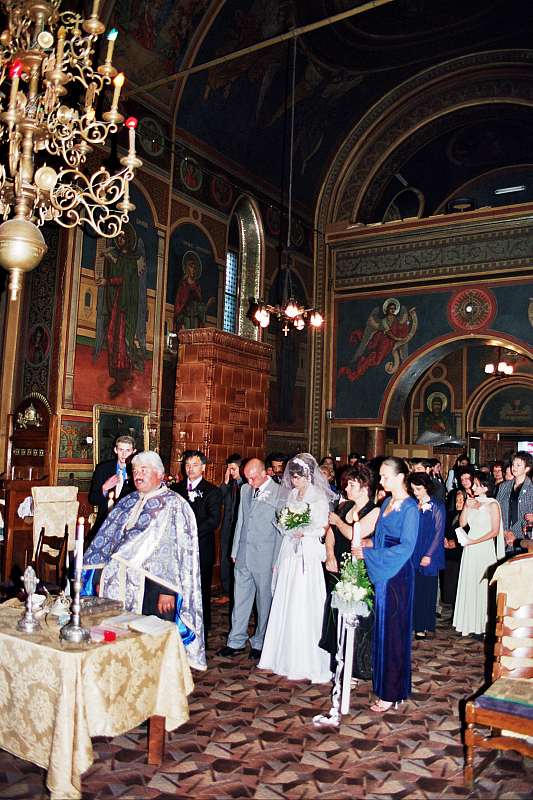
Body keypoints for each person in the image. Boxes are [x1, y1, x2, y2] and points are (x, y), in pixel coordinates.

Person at [82, 451, 206, 670]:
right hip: (118, 581)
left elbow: (175, 552)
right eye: (135, 470)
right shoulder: (127, 501)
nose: (137, 475)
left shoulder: (174, 505)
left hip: (153, 587)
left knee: (152, 640)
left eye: (143, 470)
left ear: (159, 474)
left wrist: (167, 590)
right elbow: (107, 542)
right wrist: (100, 575)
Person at [353, 457, 419, 713]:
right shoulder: (389, 502)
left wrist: (370, 554)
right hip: (384, 571)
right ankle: (386, 687)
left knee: (393, 633)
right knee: (383, 631)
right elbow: (382, 538)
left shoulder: (410, 508)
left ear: (401, 477)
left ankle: (391, 692)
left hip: (397, 574)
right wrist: (367, 545)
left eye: (385, 477)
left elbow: (406, 547)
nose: (381, 482)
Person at [258, 454, 332, 683]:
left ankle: (307, 659)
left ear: (309, 476)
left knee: (304, 600)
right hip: (290, 551)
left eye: (298, 477)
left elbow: (322, 528)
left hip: (307, 553)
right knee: (287, 598)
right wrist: (287, 528)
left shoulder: (318, 496)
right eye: (293, 477)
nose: (294, 481)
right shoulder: (290, 494)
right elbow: (286, 519)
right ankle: (282, 656)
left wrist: (305, 532)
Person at [216, 459, 282, 660]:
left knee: (264, 603)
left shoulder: (280, 492)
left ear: (265, 473)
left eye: (253, 477)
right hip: (244, 554)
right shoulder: (245, 490)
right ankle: (235, 640)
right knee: (240, 600)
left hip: (265, 555)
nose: (250, 481)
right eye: (247, 477)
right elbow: (241, 520)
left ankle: (260, 642)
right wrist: (235, 549)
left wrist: (275, 561)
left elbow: (281, 530)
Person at [320, 463, 380, 681]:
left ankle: (357, 668)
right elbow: (331, 534)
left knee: (357, 617)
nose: (346, 488)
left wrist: (337, 521)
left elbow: (357, 534)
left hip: (359, 570)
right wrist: (330, 555)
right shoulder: (345, 508)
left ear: (364, 487)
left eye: (351, 484)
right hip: (339, 566)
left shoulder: (374, 511)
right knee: (337, 616)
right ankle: (340, 665)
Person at [175, 451, 223, 643]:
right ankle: (180, 624)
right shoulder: (177, 489)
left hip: (202, 547)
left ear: (203, 467)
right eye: (187, 465)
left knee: (201, 589)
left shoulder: (213, 491)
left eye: (194, 465)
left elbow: (213, 522)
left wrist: (189, 532)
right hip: (179, 549)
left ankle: (203, 628)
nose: (190, 469)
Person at [453, 473, 505, 639]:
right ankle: (470, 623)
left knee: (482, 585)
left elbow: (495, 531)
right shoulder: (473, 502)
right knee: (470, 582)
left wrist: (473, 541)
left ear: (485, 487)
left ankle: (483, 625)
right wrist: (467, 507)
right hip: (470, 547)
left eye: (476, 484)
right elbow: (462, 523)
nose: (473, 487)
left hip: (483, 548)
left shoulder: (493, 504)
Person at [407, 472, 445, 639]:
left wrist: (429, 554)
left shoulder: (437, 506)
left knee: (425, 590)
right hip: (412, 552)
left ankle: (422, 626)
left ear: (427, 488)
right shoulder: (412, 505)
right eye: (413, 489)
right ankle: (411, 624)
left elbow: (438, 533)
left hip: (428, 551)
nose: (415, 492)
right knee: (412, 590)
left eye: (418, 489)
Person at [88, 435, 137, 540]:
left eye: (127, 450)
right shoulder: (103, 468)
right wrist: (105, 487)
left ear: (133, 452)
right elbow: (93, 499)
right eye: (121, 450)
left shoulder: (137, 471)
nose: (124, 454)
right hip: (104, 522)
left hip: (128, 524)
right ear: (115, 450)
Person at [497, 451, 533, 557]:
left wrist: (513, 535)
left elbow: (527, 516)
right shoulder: (503, 487)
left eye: (518, 465)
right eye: (513, 464)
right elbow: (497, 510)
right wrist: (504, 532)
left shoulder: (531, 490)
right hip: (503, 537)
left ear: (527, 469)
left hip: (523, 538)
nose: (514, 467)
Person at [218, 453, 243, 604]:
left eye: (233, 469)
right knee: (225, 562)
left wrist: (238, 481)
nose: (231, 472)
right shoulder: (230, 484)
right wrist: (225, 483)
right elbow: (218, 499)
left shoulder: (245, 485)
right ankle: (226, 592)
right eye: (228, 469)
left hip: (239, 531)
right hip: (227, 530)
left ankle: (237, 594)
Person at [440, 489, 465, 619]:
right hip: (448, 553)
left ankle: (458, 615)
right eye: (457, 500)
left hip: (459, 554)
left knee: (458, 585)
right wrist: (444, 539)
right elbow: (443, 529)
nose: (458, 503)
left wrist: (455, 542)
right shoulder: (450, 515)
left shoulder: (467, 517)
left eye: (461, 500)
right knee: (450, 585)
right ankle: (453, 614)